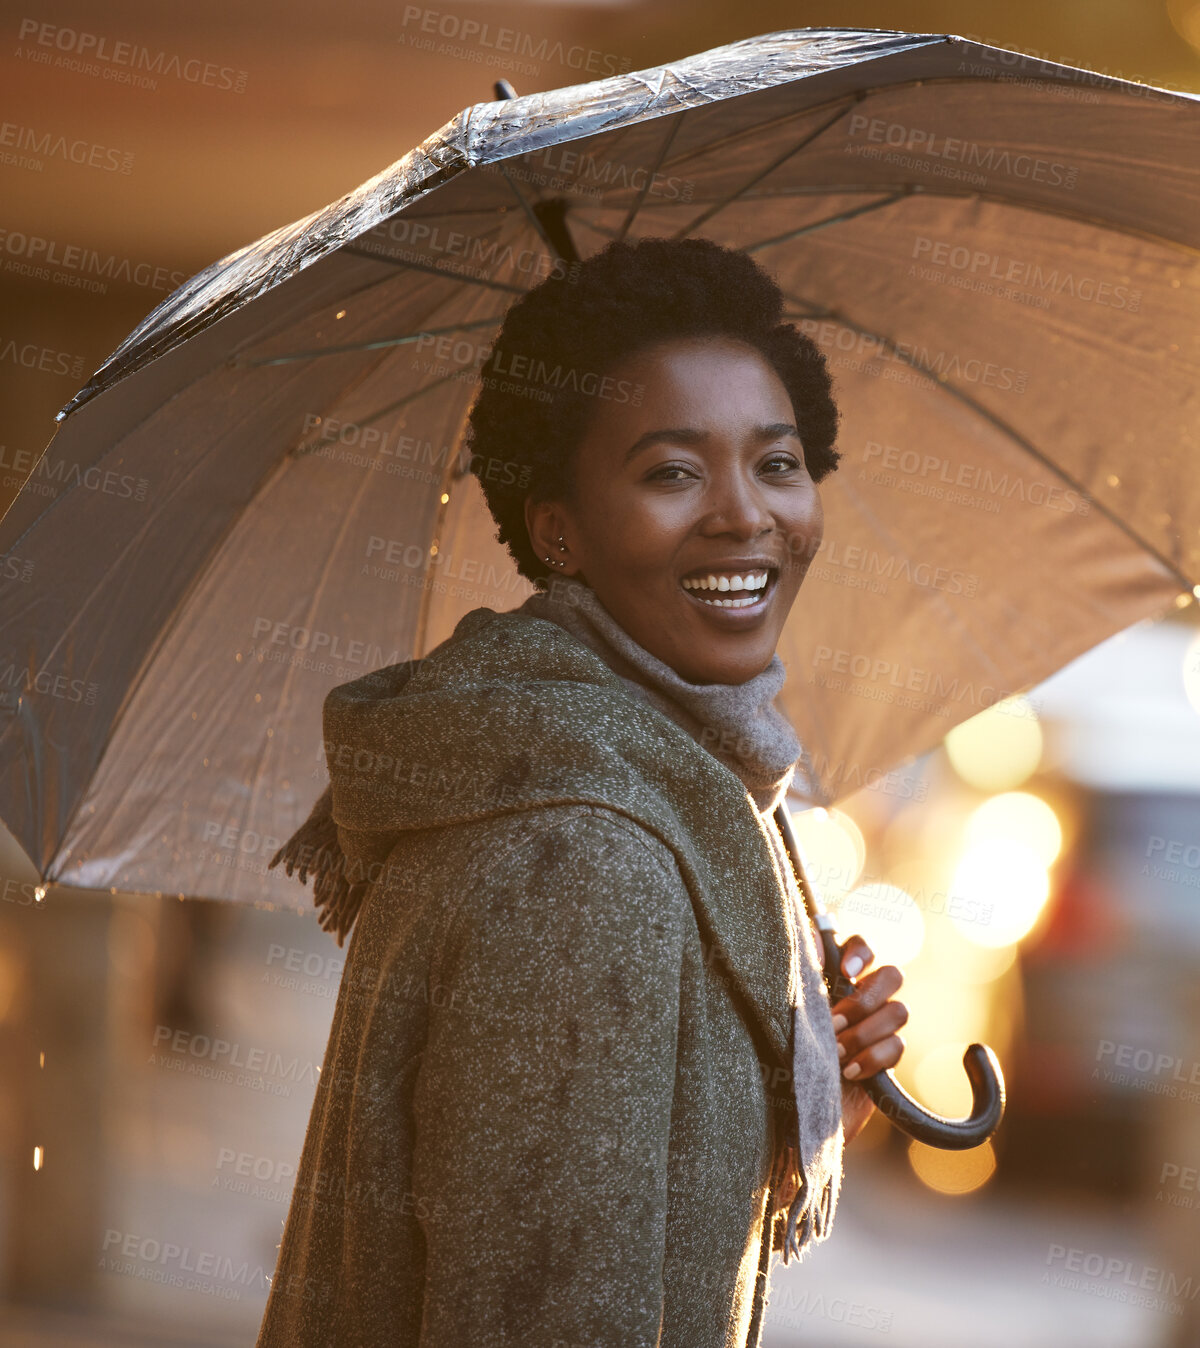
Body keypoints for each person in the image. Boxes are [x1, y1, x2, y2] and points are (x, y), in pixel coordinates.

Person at [255, 235, 909, 1347]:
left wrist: (776, 1093)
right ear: (557, 527)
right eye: (670, 470)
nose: (745, 514)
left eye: (777, 461)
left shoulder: (597, 767)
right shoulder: (583, 857)